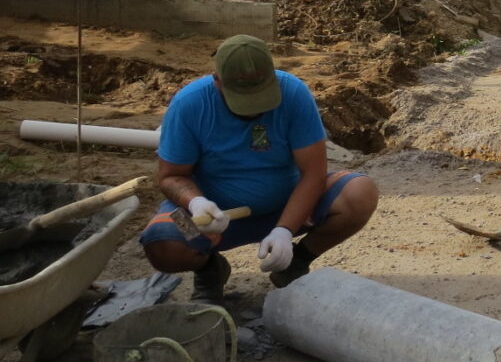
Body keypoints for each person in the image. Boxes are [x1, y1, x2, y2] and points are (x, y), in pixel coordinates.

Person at [139, 35, 379, 306]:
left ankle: (294, 263)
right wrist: (196, 203)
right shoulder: (190, 104)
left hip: (289, 208)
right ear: (217, 81)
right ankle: (209, 271)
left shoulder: (294, 93)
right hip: (214, 218)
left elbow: (313, 173)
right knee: (162, 243)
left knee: (360, 193)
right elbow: (170, 176)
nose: (254, 110)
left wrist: (285, 231)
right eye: (244, 100)